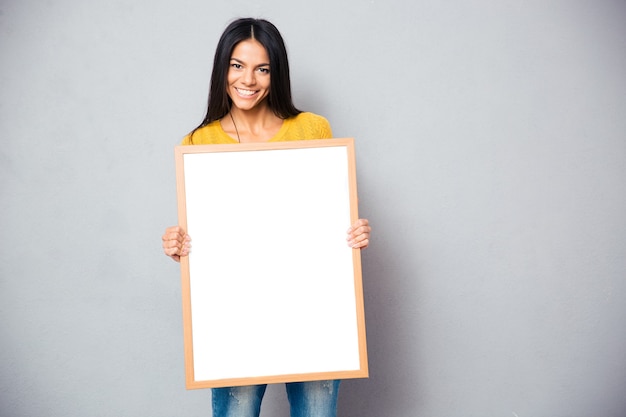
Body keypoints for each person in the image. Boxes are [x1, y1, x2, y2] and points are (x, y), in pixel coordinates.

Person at [161, 18, 371, 417]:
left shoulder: (312, 129)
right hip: (237, 316)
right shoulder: (198, 143)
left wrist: (354, 231)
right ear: (222, 68)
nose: (249, 79)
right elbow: (209, 240)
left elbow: (326, 222)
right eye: (237, 65)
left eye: (263, 68)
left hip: (312, 311)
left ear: (277, 74)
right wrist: (180, 245)